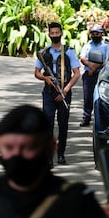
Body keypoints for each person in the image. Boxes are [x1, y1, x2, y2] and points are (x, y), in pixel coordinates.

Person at [34, 22, 81, 166]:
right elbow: (36, 72)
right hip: (49, 93)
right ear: (49, 35)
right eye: (52, 33)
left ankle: (60, 154)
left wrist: (65, 90)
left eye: (57, 33)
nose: (55, 35)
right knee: (47, 124)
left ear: (61, 33)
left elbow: (77, 73)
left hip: (64, 92)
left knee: (63, 125)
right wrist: (45, 78)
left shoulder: (69, 51)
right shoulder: (44, 52)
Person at [79, 24, 109, 127]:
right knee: (88, 97)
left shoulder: (107, 46)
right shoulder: (87, 45)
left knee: (103, 97)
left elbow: (107, 60)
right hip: (89, 75)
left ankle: (103, 120)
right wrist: (90, 66)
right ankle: (86, 118)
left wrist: (94, 67)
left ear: (101, 33)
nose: (94, 35)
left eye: (97, 33)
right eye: (92, 33)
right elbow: (82, 58)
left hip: (102, 74)